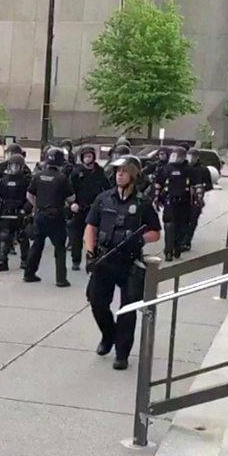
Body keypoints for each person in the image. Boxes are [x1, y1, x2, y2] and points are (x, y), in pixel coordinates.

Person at [85, 155, 161, 369]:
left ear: (134, 176)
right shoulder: (103, 199)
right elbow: (90, 226)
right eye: (117, 170)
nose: (119, 174)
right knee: (97, 302)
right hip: (104, 259)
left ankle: (122, 353)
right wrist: (90, 253)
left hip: (129, 263)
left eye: (124, 171)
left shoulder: (143, 203)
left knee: (127, 310)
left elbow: (156, 232)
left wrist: (141, 238)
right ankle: (108, 336)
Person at [23, 147, 74, 287]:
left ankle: (29, 274)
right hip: (56, 217)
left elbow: (29, 195)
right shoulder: (62, 178)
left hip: (40, 215)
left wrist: (37, 206)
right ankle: (61, 279)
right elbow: (71, 197)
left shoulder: (38, 176)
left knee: (37, 245)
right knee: (60, 249)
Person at [68, 145, 108, 271]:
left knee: (94, 236)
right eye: (85, 156)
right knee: (76, 236)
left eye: (90, 156)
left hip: (94, 208)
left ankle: (92, 259)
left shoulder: (99, 172)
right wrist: (71, 204)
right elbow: (68, 189)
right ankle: (76, 260)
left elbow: (107, 188)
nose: (87, 159)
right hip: (79, 208)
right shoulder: (76, 172)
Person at [0, 143, 30, 257]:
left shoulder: (25, 173)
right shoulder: (3, 167)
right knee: (1, 229)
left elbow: (30, 192)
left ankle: (23, 257)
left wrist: (25, 210)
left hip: (19, 205)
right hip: (6, 202)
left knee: (21, 233)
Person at [153, 145, 192, 261]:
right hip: (170, 201)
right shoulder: (166, 168)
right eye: (174, 155)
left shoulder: (188, 169)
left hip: (184, 202)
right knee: (169, 225)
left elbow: (194, 186)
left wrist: (196, 200)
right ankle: (168, 250)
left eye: (178, 156)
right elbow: (158, 184)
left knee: (182, 226)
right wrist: (156, 198)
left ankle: (177, 247)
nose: (175, 158)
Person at [184, 147, 214, 251]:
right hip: (183, 199)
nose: (191, 159)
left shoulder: (203, 170)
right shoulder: (185, 168)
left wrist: (200, 189)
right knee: (182, 220)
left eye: (193, 156)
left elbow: (209, 185)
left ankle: (187, 241)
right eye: (189, 156)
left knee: (192, 221)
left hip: (196, 200)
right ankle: (180, 240)